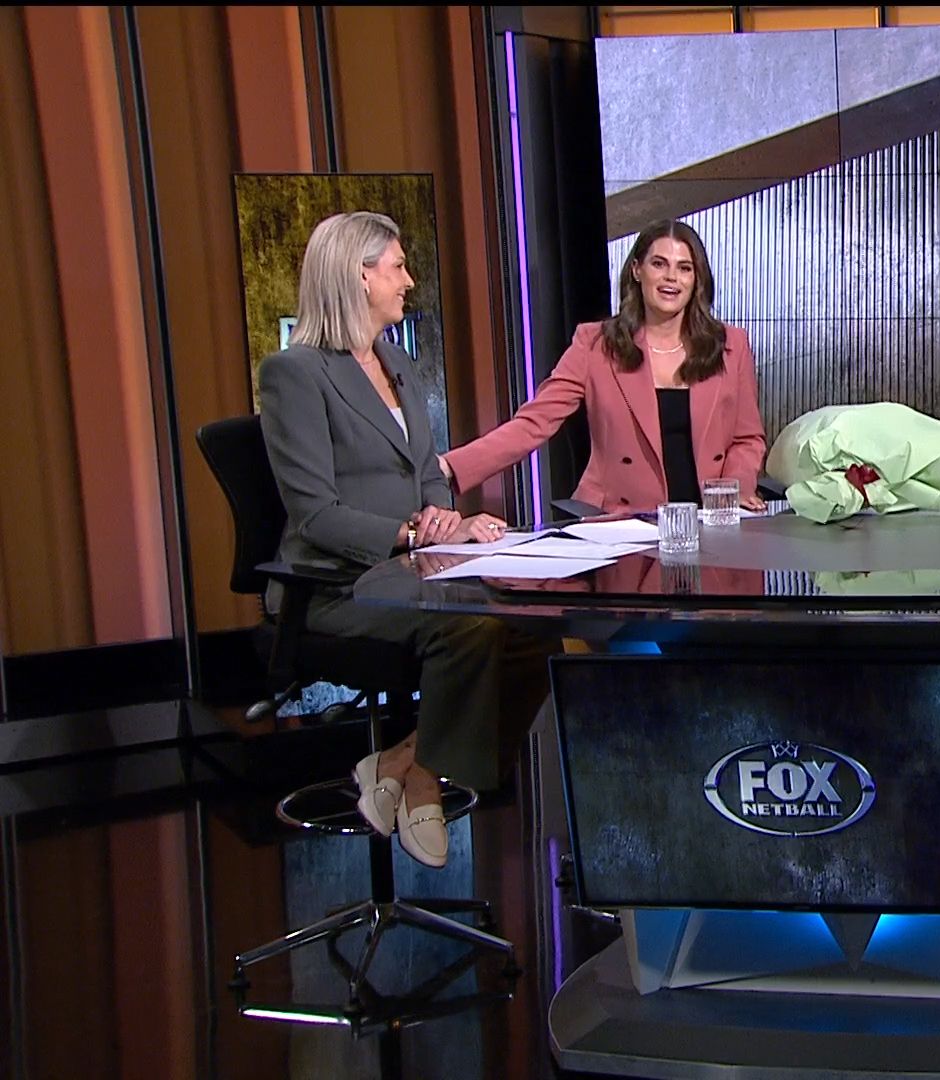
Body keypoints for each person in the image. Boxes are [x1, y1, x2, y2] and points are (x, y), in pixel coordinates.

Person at [258, 211, 559, 870]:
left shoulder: (397, 362)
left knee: (537, 625)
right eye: (397, 267)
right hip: (335, 587)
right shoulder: (293, 374)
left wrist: (453, 521)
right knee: (473, 629)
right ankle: (427, 783)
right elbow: (313, 515)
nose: (408, 281)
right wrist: (409, 532)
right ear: (358, 276)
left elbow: (427, 474)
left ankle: (406, 763)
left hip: (417, 570)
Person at [439, 219, 768, 517]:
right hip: (620, 522)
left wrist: (734, 489)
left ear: (696, 279)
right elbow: (533, 423)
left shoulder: (730, 345)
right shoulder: (596, 344)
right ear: (637, 270)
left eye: (685, 268)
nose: (671, 277)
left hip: (709, 521)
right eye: (659, 264)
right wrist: (451, 466)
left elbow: (747, 438)